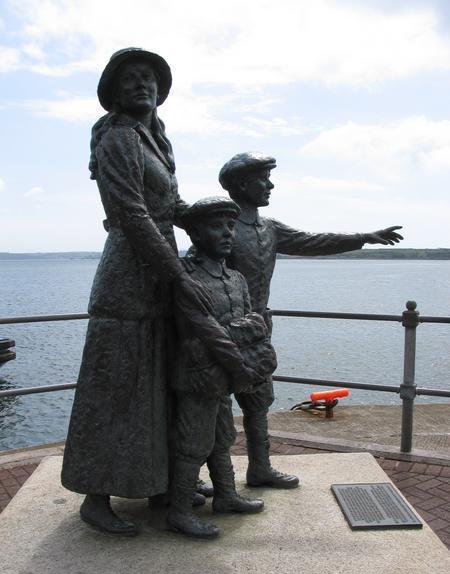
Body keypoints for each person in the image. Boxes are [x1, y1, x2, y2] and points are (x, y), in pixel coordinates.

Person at [61, 48, 217, 536]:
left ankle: (158, 482)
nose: (141, 84)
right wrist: (179, 274)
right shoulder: (119, 137)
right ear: (114, 91)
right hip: (129, 278)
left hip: (158, 273)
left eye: (148, 77)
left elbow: (169, 208)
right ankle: (95, 496)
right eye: (130, 78)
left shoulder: (156, 142)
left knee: (155, 386)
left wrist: (219, 217)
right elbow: (132, 214)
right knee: (117, 386)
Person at [217, 152, 403, 489]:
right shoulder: (222, 226)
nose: (270, 184)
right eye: (263, 177)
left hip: (257, 330)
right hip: (219, 331)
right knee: (212, 407)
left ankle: (260, 468)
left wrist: (363, 237)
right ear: (242, 184)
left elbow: (312, 241)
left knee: (259, 402)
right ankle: (207, 479)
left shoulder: (268, 228)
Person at [167, 197, 277, 539]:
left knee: (223, 437)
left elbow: (253, 323)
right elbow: (204, 330)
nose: (228, 233)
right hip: (199, 377)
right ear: (196, 234)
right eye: (217, 226)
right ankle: (180, 511)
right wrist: (238, 344)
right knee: (193, 443)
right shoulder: (186, 277)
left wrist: (234, 333)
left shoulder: (236, 278)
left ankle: (226, 495)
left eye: (230, 226)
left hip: (224, 375)